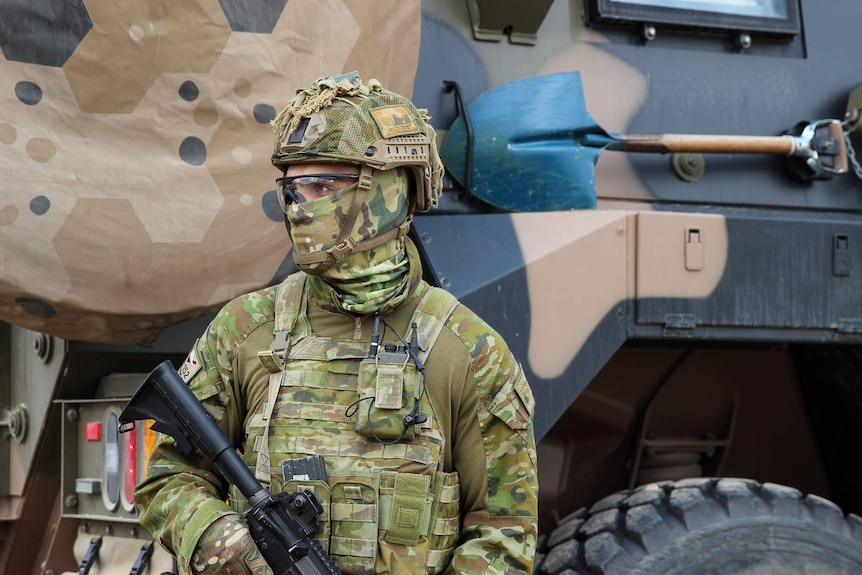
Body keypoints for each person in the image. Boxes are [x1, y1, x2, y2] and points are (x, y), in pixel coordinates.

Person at [134, 72, 538, 575]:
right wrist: (233, 547)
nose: (301, 207)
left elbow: (503, 536)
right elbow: (168, 480)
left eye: (323, 185)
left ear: (390, 190)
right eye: (292, 188)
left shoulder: (467, 350)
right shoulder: (245, 330)